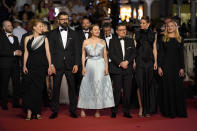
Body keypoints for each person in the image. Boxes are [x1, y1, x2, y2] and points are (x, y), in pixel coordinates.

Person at [47, 11, 80, 119]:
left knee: (72, 88)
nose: (65, 21)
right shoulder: (51, 33)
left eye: (67, 19)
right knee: (56, 88)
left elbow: (77, 50)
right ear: (58, 20)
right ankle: (55, 111)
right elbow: (50, 51)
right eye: (63, 19)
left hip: (71, 65)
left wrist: (76, 64)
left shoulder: (74, 33)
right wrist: (51, 65)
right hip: (57, 65)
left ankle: (73, 110)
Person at [77, 24, 114, 118]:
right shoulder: (85, 41)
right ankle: (83, 109)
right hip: (89, 64)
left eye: (98, 29)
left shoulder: (102, 41)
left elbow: (105, 55)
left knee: (99, 86)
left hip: (101, 64)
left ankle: (97, 110)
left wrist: (106, 67)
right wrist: (83, 67)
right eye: (95, 30)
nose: (98, 31)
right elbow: (82, 55)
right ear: (91, 31)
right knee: (86, 85)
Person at [23, 19, 52, 120]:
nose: (42, 28)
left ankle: (38, 111)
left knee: (38, 90)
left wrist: (49, 66)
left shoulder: (44, 38)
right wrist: (24, 65)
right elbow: (26, 53)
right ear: (34, 27)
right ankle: (29, 111)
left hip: (41, 66)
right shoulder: (27, 38)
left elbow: (48, 53)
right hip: (30, 66)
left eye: (42, 26)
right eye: (40, 26)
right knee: (29, 89)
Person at [158, 20, 187, 118]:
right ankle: (169, 112)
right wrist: (159, 67)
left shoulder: (180, 39)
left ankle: (179, 111)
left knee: (177, 89)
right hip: (166, 67)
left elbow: (181, 55)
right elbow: (161, 54)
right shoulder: (163, 38)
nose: (170, 27)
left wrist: (182, 67)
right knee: (168, 88)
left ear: (175, 27)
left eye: (171, 26)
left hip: (177, 67)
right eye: (168, 26)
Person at [109, 23, 136, 118]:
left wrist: (127, 62)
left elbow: (134, 53)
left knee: (127, 91)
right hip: (117, 69)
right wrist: (120, 63)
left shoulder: (130, 40)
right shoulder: (112, 41)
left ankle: (126, 111)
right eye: (121, 30)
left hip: (128, 69)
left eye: (124, 29)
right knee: (116, 91)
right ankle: (114, 110)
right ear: (116, 31)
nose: (123, 31)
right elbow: (111, 54)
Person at [134, 16, 157, 117]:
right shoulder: (137, 33)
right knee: (140, 85)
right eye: (141, 23)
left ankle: (147, 109)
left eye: (143, 23)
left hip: (150, 61)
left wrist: (155, 62)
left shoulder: (153, 34)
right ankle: (141, 107)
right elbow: (134, 49)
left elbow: (154, 49)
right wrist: (134, 61)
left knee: (148, 84)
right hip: (139, 61)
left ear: (148, 24)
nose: (141, 25)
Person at [0, 20, 22, 110]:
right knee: (4, 85)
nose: (11, 27)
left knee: (16, 84)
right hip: (4, 65)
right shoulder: (0, 37)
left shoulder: (16, 38)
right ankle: (4, 103)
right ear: (4, 28)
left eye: (11, 25)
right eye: (8, 26)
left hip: (16, 65)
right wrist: (13, 53)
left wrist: (20, 52)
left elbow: (18, 50)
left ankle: (16, 103)